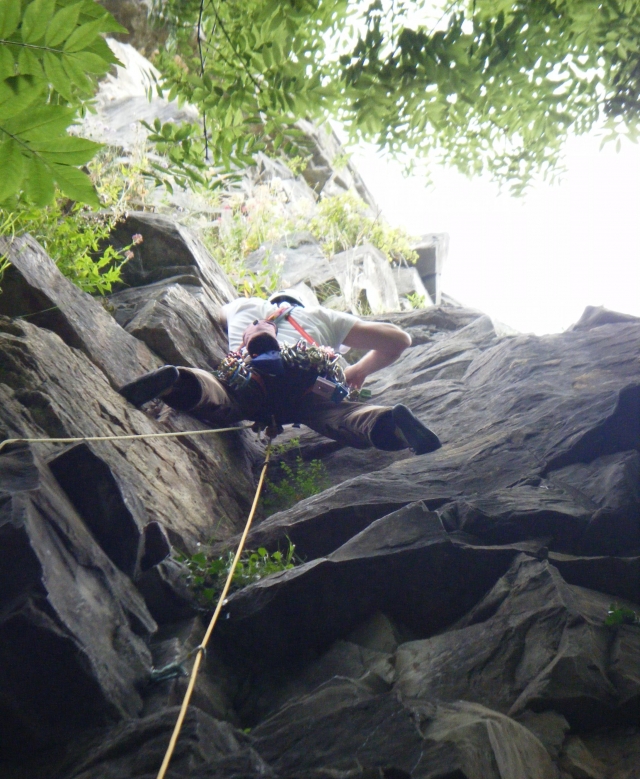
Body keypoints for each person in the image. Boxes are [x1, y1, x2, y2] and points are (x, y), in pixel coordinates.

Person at [119, 290, 441, 455]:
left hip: (252, 376)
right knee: (341, 415)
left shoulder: (243, 306)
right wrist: (358, 369)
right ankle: (391, 423)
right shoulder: (320, 316)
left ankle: (177, 381)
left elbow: (215, 317)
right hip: (306, 382)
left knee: (221, 396)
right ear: (298, 305)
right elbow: (400, 340)